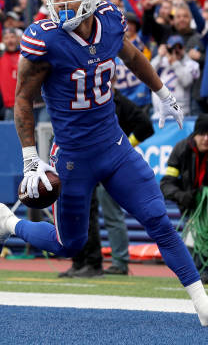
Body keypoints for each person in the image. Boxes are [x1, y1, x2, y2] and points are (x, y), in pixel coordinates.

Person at [0, 0, 208, 326]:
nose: (63, 2)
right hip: (72, 157)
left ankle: (203, 305)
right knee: (68, 244)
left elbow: (133, 56)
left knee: (159, 221)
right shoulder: (45, 38)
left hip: (115, 148)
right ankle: (7, 223)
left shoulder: (110, 19)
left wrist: (163, 93)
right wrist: (30, 158)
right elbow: (22, 98)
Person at [59, 89, 155, 277]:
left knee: (110, 214)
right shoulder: (89, 101)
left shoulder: (119, 101)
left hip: (110, 166)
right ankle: (81, 261)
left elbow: (146, 126)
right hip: (88, 163)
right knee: (82, 212)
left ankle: (117, 262)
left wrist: (124, 145)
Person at [160, 114, 208, 285]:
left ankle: (207, 270)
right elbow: (166, 183)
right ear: (194, 134)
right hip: (190, 206)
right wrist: (182, 196)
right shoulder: (181, 149)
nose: (206, 138)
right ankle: (197, 272)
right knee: (191, 244)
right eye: (202, 134)